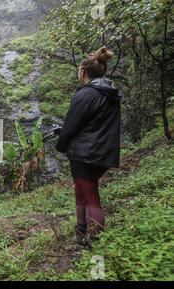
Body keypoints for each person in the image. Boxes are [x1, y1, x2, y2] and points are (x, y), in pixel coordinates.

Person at [56, 46, 122, 245]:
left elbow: (71, 126)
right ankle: (81, 230)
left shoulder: (85, 94)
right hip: (103, 152)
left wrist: (61, 145)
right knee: (81, 190)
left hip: (86, 154)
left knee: (91, 195)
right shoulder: (109, 92)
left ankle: (96, 240)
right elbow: (94, 123)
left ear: (83, 71)